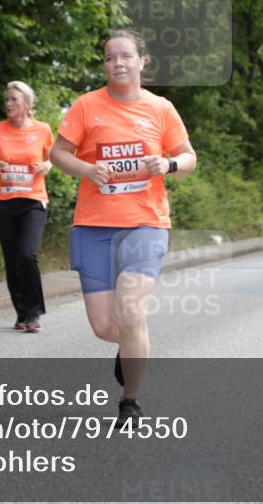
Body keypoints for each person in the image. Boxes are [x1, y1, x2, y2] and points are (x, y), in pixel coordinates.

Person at [49, 30, 196, 428]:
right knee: (104, 327)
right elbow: (57, 153)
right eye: (110, 57)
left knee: (130, 311)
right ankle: (134, 346)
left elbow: (188, 157)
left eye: (126, 56)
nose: (118, 63)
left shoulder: (160, 108)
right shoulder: (86, 106)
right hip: (93, 226)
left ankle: (129, 401)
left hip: (145, 223)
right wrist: (87, 168)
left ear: (142, 61)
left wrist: (166, 165)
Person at [0, 81, 54, 334]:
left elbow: (52, 158)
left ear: (28, 104)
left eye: (14, 100)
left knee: (27, 254)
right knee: (12, 260)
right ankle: (21, 313)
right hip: (5, 202)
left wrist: (46, 167)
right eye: (6, 100)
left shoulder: (43, 129)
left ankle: (34, 312)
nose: (8, 104)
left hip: (34, 201)